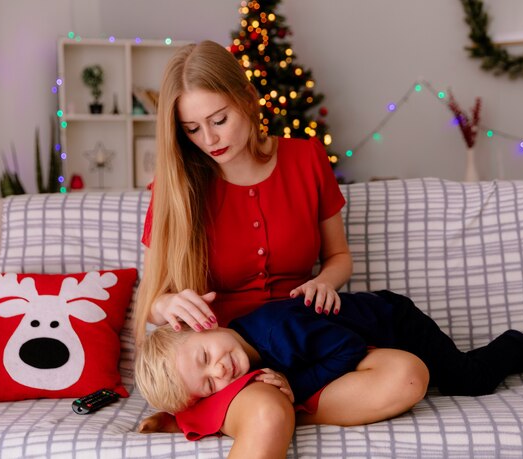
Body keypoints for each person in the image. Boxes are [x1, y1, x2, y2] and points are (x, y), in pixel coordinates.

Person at [133, 40, 428, 458]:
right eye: (192, 129)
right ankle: (253, 409)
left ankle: (267, 411)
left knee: (408, 375)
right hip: (232, 362)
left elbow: (339, 258)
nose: (210, 139)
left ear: (247, 100)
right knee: (268, 414)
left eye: (219, 119)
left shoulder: (306, 158)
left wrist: (326, 282)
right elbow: (150, 302)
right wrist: (167, 306)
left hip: (309, 341)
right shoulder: (175, 189)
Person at [135, 290, 523, 440]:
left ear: (205, 322)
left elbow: (347, 349)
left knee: (469, 380)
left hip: (394, 322)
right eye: (209, 383)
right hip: (362, 338)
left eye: (206, 357)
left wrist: (295, 381)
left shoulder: (275, 330)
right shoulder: (241, 350)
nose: (221, 372)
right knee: (461, 378)